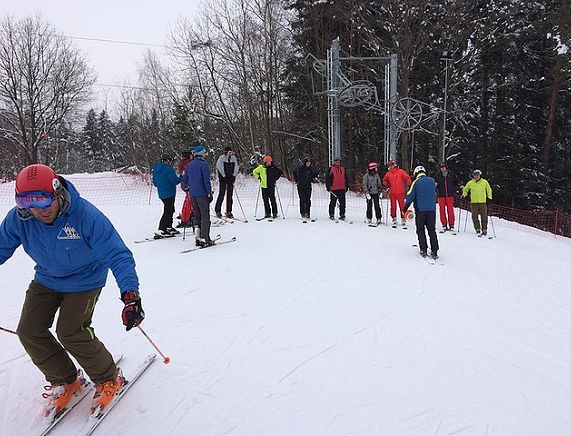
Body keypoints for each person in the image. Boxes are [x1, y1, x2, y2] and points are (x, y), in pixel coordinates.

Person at [0, 164, 144, 417]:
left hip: (85, 281)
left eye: (44, 202)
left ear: (57, 193)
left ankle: (109, 377)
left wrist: (130, 296)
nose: (38, 211)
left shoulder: (85, 216)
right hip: (46, 279)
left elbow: (118, 255)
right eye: (28, 204)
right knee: (29, 330)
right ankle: (66, 379)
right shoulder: (20, 219)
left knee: (70, 331)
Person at [182, 145, 215, 246]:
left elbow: (184, 180)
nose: (205, 154)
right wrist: (209, 193)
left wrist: (186, 188)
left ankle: (197, 236)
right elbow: (206, 181)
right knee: (205, 215)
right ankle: (205, 238)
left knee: (197, 215)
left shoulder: (190, 165)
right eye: (205, 153)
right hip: (202, 194)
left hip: (193, 194)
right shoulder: (203, 164)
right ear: (202, 153)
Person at [404, 165, 439, 258]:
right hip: (432, 210)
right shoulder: (432, 181)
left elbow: (410, 196)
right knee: (432, 230)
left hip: (420, 210)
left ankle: (423, 249)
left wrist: (405, 209)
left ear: (416, 173)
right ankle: (435, 250)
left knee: (420, 230)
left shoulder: (416, 182)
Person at [152, 154, 181, 239]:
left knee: (170, 209)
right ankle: (161, 229)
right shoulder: (169, 170)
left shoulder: (156, 169)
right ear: (168, 161)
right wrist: (182, 177)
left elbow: (155, 183)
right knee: (168, 210)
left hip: (161, 193)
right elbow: (175, 181)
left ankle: (168, 227)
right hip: (170, 193)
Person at [462, 169, 493, 236]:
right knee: (474, 216)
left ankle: (484, 229)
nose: (476, 176)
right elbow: (465, 190)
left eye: (477, 175)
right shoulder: (470, 182)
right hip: (473, 202)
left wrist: (489, 198)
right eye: (475, 175)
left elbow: (489, 190)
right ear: (473, 176)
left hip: (483, 202)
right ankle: (477, 228)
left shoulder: (484, 182)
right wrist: (466, 196)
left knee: (484, 216)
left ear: (480, 175)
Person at [434, 162, 462, 232]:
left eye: (443, 167)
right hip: (441, 195)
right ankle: (444, 224)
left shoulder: (451, 174)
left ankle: (451, 224)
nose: (442, 169)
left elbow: (457, 181)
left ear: (446, 167)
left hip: (450, 195)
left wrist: (459, 186)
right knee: (442, 210)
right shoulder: (438, 175)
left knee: (450, 210)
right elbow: (435, 184)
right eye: (441, 167)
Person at [382, 160, 411, 227]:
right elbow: (385, 179)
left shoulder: (400, 171)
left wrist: (408, 181)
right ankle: (394, 218)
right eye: (389, 165)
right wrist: (385, 183)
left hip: (400, 192)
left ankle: (403, 218)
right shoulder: (388, 173)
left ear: (394, 165)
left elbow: (406, 177)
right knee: (393, 206)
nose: (390, 166)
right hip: (392, 192)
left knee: (402, 206)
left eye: (391, 165)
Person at [214, 146, 239, 219]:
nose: (230, 153)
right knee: (221, 194)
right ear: (226, 152)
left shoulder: (233, 158)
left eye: (231, 152)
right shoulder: (221, 158)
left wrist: (234, 176)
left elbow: (236, 167)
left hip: (230, 179)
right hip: (223, 179)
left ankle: (229, 211)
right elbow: (219, 167)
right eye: (229, 152)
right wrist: (224, 176)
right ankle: (217, 210)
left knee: (230, 195)